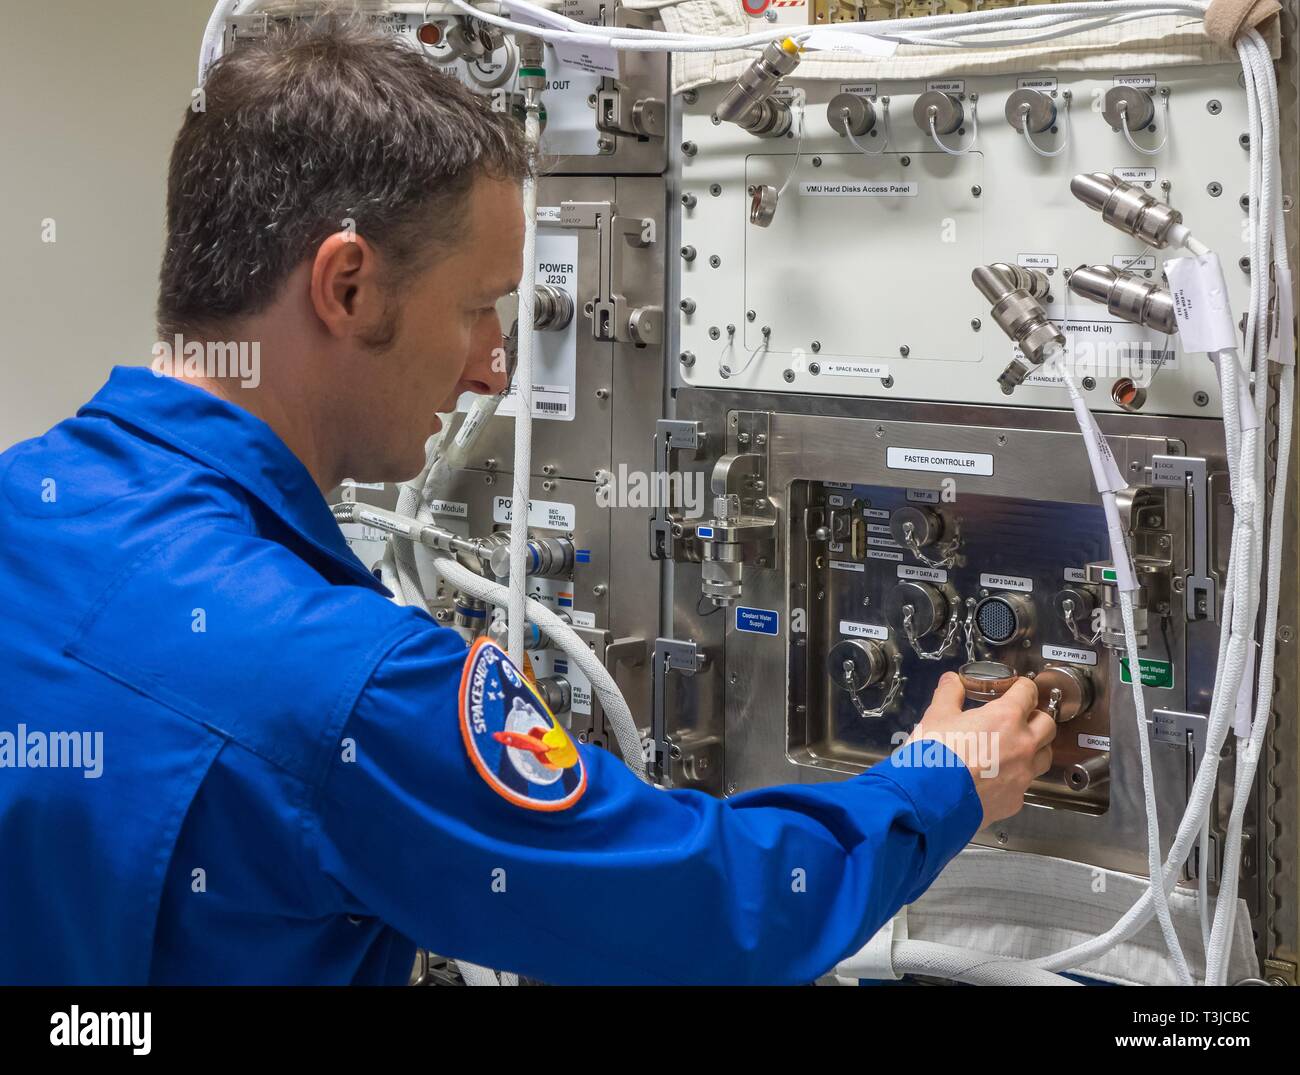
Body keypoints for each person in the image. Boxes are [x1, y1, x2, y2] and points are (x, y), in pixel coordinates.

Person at [0, 20, 1054, 985]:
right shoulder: (346, 688)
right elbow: (713, 907)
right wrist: (941, 780)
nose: (496, 369)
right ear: (348, 286)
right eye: (474, 310)